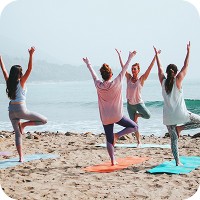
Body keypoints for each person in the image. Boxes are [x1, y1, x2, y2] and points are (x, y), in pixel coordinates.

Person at [83, 51, 138, 166]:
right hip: (117, 115)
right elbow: (125, 69)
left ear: (102, 76)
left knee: (108, 139)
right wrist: (130, 57)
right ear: (111, 74)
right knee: (134, 126)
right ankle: (117, 135)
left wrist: (88, 64)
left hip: (105, 117)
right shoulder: (116, 82)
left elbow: (93, 74)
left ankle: (113, 161)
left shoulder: (98, 85)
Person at [154, 42, 200, 166]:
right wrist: (189, 51)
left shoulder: (163, 82)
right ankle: (182, 128)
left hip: (168, 117)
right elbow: (186, 65)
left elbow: (160, 69)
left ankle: (178, 162)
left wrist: (157, 56)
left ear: (169, 72)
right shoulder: (178, 79)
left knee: (174, 140)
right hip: (181, 114)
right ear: (175, 72)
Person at [0, 47, 47, 162]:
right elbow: (30, 69)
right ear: (20, 74)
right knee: (44, 120)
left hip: (11, 110)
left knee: (17, 134)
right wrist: (31, 55)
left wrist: (0, 59)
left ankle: (21, 157)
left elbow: (4, 70)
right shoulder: (21, 81)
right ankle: (24, 125)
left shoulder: (8, 81)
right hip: (21, 109)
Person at [116, 49, 159, 147]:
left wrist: (155, 56)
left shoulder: (142, 79)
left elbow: (149, 68)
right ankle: (139, 142)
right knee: (134, 126)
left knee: (148, 115)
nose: (133, 70)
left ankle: (138, 116)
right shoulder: (128, 78)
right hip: (130, 105)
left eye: (135, 69)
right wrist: (119, 55)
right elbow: (123, 67)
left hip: (139, 104)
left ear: (138, 70)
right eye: (132, 69)